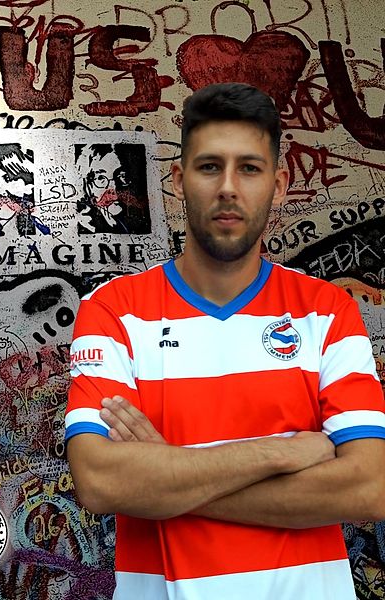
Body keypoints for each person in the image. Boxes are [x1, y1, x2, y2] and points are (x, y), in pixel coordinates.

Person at [65, 83, 385, 600]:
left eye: (250, 169)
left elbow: (370, 487)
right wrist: (281, 453)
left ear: (279, 185)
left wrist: (166, 476)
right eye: (210, 166)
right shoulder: (114, 310)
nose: (228, 188)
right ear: (179, 180)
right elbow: (101, 483)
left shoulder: (326, 310)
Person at [75, 143, 151, 235]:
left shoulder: (136, 222)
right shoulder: (86, 225)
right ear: (87, 186)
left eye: (121, 176)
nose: (114, 189)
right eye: (101, 178)